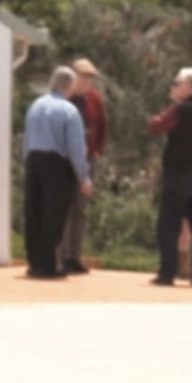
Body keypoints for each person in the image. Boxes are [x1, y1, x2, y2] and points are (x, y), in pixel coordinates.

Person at [147, 66, 192, 287]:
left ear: (189, 87)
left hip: (178, 175)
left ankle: (167, 272)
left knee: (168, 226)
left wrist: (171, 106)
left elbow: (156, 126)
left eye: (177, 84)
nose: (173, 87)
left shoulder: (180, 109)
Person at [22, 65, 92, 280]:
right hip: (57, 164)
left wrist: (28, 163)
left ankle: (34, 262)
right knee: (54, 215)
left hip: (34, 161)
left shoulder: (35, 106)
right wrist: (83, 176)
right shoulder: (69, 111)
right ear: (69, 86)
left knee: (34, 213)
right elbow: (76, 148)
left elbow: (27, 139)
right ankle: (48, 264)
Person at [60, 56, 107, 274]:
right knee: (64, 207)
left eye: (89, 78)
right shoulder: (64, 99)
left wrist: (96, 149)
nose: (86, 82)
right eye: (83, 77)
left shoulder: (94, 99)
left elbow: (102, 125)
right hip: (65, 159)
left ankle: (74, 256)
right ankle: (61, 255)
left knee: (80, 208)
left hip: (87, 159)